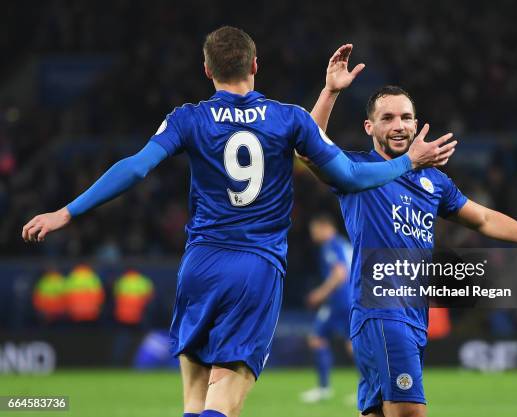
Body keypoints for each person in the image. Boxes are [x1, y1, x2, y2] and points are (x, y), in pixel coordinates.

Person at [21, 29, 457, 417]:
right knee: (224, 401)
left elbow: (135, 168)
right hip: (256, 268)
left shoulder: (187, 117)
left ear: (207, 70)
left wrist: (66, 211)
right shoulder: (288, 118)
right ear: (255, 65)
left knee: (195, 401)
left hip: (199, 265)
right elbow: (350, 175)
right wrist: (409, 163)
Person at [304, 45, 517, 417]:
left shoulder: (434, 181)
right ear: (369, 127)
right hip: (382, 310)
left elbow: (485, 219)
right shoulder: (356, 171)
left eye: (406, 117)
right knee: (410, 412)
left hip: (412, 313)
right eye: (387, 118)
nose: (399, 125)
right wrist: (331, 92)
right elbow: (309, 149)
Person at [301, 213, 353, 403]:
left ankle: (324, 388)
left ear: (326, 228)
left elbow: (340, 273)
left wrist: (320, 294)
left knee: (318, 338)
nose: (313, 234)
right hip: (351, 298)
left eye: (315, 230)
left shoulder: (330, 245)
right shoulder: (343, 243)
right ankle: (370, 388)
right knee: (352, 344)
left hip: (340, 300)